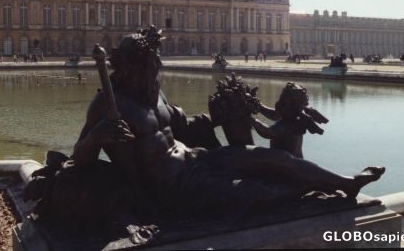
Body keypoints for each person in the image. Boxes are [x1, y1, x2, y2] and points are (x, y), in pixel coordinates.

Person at [30, 27, 384, 228]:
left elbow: (185, 125)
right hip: (172, 188)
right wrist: (95, 138)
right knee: (259, 192)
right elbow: (79, 160)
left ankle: (346, 184)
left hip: (196, 159)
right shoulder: (109, 104)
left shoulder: (155, 93)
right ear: (134, 67)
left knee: (270, 158)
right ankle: (306, 194)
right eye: (153, 65)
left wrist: (229, 112)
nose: (158, 71)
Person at [251, 82, 326, 159]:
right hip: (299, 161)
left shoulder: (285, 125)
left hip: (285, 167)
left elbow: (267, 132)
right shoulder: (298, 118)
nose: (280, 103)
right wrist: (258, 105)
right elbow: (274, 114)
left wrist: (252, 120)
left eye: (283, 101)